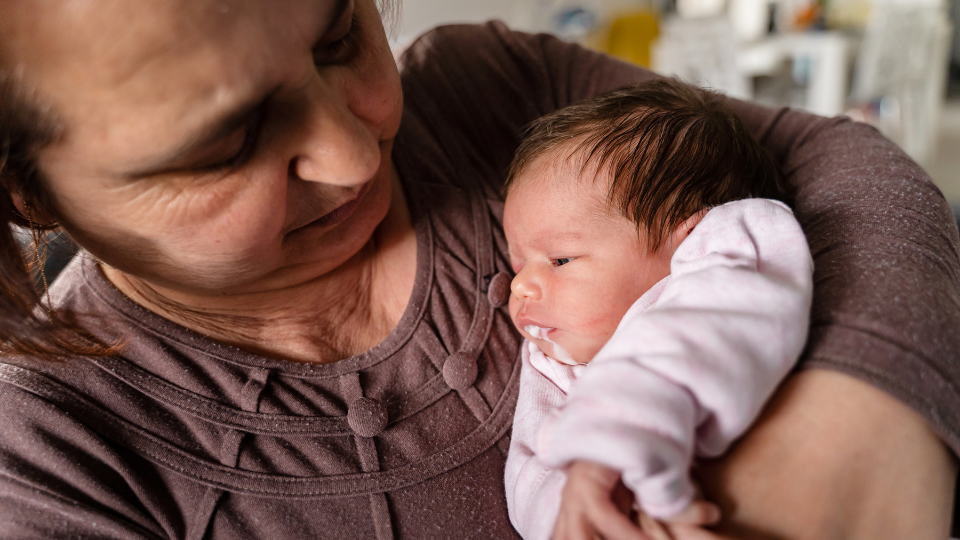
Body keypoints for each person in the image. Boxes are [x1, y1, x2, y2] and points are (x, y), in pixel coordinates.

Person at [0, 1, 956, 539]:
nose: (355, 150)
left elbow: (841, 168)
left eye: (340, 38)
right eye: (227, 143)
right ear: (29, 193)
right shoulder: (47, 467)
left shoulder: (496, 97)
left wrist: (857, 440)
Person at [502, 80, 814, 540]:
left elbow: (698, 334)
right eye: (516, 263)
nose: (521, 285)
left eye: (560, 259)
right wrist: (576, 509)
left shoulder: (726, 265)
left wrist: (605, 449)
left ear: (688, 238)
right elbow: (528, 468)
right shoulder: (549, 363)